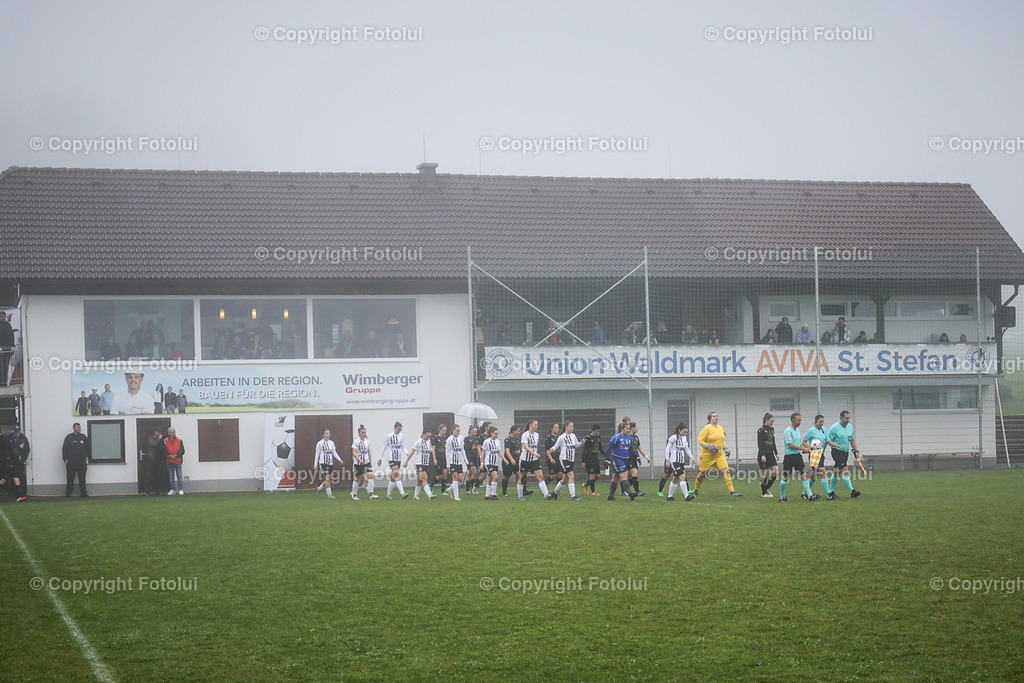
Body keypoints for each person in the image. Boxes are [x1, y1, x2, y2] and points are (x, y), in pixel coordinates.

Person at [686, 411, 742, 500]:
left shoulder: (720, 428)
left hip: (719, 455)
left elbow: (721, 440)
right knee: (702, 474)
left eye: (717, 416)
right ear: (710, 418)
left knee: (726, 470)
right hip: (707, 455)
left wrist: (725, 448)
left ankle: (732, 492)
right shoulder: (707, 428)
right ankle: (696, 491)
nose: (716, 418)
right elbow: (700, 440)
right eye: (714, 416)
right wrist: (708, 446)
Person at [780, 412, 817, 502]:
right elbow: (790, 445)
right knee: (786, 477)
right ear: (793, 420)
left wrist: (805, 448)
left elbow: (797, 443)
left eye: (801, 420)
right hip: (789, 457)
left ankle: (810, 495)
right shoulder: (788, 431)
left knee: (804, 475)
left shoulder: (797, 431)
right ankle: (782, 496)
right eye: (798, 420)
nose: (800, 422)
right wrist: (803, 449)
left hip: (797, 457)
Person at [826, 410, 862, 499]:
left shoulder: (850, 427)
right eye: (846, 418)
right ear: (841, 418)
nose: (848, 420)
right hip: (836, 452)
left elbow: (852, 440)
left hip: (845, 452)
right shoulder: (834, 427)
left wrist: (856, 450)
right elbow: (827, 440)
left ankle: (830, 492)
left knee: (836, 471)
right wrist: (833, 446)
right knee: (845, 469)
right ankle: (852, 491)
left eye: (849, 418)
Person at [802, 414, 838, 500]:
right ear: (816, 421)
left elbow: (828, 440)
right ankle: (828, 494)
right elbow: (803, 441)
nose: (821, 423)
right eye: (820, 421)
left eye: (823, 422)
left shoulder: (824, 430)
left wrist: (836, 445)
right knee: (823, 472)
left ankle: (805, 493)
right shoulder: (811, 430)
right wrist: (809, 449)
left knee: (814, 475)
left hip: (821, 454)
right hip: (814, 454)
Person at [517, 420, 552, 501]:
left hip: (534, 460)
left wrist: (535, 455)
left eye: (537, 425)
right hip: (525, 459)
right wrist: (534, 453)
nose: (536, 426)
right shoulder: (525, 435)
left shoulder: (537, 435)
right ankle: (520, 496)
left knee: (540, 476)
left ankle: (546, 495)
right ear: (530, 425)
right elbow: (526, 447)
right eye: (535, 425)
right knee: (522, 477)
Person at [550, 421, 582, 501]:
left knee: (564, 479)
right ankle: (573, 496)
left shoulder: (573, 436)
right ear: (566, 427)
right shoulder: (562, 437)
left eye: (573, 426)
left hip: (571, 459)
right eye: (571, 426)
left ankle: (554, 492)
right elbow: (556, 445)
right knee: (571, 476)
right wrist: (552, 449)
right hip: (564, 459)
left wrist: (582, 442)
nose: (572, 428)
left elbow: (576, 445)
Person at [605, 422, 637, 500]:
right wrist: (607, 459)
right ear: (622, 429)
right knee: (624, 476)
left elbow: (631, 448)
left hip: (625, 459)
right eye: (627, 429)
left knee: (615, 478)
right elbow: (609, 448)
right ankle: (630, 494)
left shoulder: (629, 437)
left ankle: (610, 496)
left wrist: (636, 456)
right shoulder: (616, 437)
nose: (629, 430)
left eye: (629, 428)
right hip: (617, 459)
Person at [402, 429, 436, 500]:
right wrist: (406, 461)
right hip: (419, 464)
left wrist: (434, 459)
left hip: (426, 464)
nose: (428, 438)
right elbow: (412, 452)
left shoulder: (429, 442)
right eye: (427, 436)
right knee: (425, 479)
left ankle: (415, 496)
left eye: (429, 436)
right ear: (423, 434)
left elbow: (431, 449)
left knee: (420, 481)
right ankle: (430, 495)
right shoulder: (418, 442)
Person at [663, 422, 693, 501]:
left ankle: (670, 496)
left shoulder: (684, 438)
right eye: (683, 432)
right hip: (674, 461)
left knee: (675, 478)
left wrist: (691, 457)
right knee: (682, 477)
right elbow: (667, 449)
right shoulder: (673, 438)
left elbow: (686, 448)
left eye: (686, 432)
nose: (685, 434)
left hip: (681, 461)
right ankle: (686, 496)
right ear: (679, 430)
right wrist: (667, 460)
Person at [379, 422, 408, 499]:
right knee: (397, 474)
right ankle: (403, 493)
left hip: (398, 458)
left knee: (393, 476)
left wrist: (407, 453)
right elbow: (384, 447)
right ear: (395, 428)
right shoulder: (389, 436)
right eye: (398, 429)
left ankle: (388, 494)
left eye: (400, 429)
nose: (399, 431)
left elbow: (403, 447)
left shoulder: (402, 436)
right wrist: (380, 458)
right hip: (391, 457)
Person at [62, 422, 91, 497]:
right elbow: (64, 448)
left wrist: (87, 456)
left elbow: (88, 448)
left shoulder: (83, 437)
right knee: (70, 479)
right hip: (71, 462)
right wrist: (65, 459)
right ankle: (68, 494)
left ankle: (83, 494)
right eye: (77, 427)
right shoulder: (69, 437)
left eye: (79, 427)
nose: (79, 429)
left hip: (81, 462)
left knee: (82, 478)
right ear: (74, 428)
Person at [314, 428, 343, 498]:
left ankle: (319, 489)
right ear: (323, 435)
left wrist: (339, 459)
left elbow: (334, 452)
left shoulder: (331, 443)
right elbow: (317, 454)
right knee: (327, 479)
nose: (328, 435)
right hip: (323, 463)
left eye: (329, 433)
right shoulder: (320, 443)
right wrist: (315, 465)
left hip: (330, 463)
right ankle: (329, 495)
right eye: (326, 433)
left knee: (329, 479)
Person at [351, 424, 377, 500]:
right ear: (359, 433)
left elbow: (369, 452)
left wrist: (370, 461)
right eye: (362, 432)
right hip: (357, 463)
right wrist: (359, 459)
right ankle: (354, 494)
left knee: (370, 475)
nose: (364, 434)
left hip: (366, 462)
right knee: (357, 478)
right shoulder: (356, 441)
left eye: (365, 432)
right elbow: (354, 452)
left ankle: (371, 494)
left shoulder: (367, 442)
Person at [757, 413, 779, 498]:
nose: (772, 423)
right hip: (763, 454)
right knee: (765, 473)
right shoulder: (761, 430)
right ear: (766, 420)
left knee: (776, 470)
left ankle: (766, 488)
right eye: (771, 421)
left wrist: (776, 453)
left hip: (771, 454)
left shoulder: (772, 429)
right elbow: (760, 443)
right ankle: (764, 493)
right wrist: (762, 455)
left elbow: (773, 442)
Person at [579, 424, 604, 496]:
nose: (598, 433)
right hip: (589, 459)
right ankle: (593, 492)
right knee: (592, 476)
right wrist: (583, 461)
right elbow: (584, 450)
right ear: (593, 431)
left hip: (596, 459)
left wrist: (606, 455)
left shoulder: (598, 437)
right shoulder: (588, 438)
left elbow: (600, 448)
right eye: (596, 431)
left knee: (597, 476)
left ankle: (586, 485)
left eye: (599, 431)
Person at [444, 424, 467, 500]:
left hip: (459, 462)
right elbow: (447, 452)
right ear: (453, 430)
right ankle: (456, 496)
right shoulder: (449, 440)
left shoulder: (460, 438)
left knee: (460, 478)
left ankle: (449, 489)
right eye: (457, 430)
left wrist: (465, 460)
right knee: (455, 478)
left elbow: (462, 450)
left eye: (459, 431)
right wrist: (448, 464)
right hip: (452, 462)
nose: (458, 432)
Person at [7, 425, 30, 501]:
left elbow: (27, 450)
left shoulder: (23, 439)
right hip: (13, 464)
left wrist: (23, 460)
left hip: (17, 463)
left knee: (17, 479)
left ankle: (19, 495)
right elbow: (15, 457)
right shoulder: (14, 449)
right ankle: (18, 495)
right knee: (13, 478)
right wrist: (22, 462)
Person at [481, 425, 504, 501]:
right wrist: (482, 463)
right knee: (496, 477)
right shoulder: (486, 441)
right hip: (488, 462)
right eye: (495, 434)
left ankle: (487, 495)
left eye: (497, 434)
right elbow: (483, 453)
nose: (496, 435)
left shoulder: (497, 442)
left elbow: (499, 452)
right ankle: (494, 494)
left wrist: (504, 459)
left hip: (495, 463)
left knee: (490, 479)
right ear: (491, 433)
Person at [144, 428, 167, 495]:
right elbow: (154, 444)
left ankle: (158, 491)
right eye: (158, 432)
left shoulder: (162, 440)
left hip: (158, 460)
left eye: (160, 432)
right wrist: (159, 439)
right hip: (151, 460)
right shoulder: (150, 438)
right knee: (149, 475)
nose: (160, 434)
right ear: (155, 432)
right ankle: (147, 490)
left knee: (159, 476)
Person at [501, 424, 522, 497]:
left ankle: (522, 491)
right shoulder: (507, 440)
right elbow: (507, 451)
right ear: (513, 431)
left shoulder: (517, 440)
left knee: (520, 475)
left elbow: (518, 448)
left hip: (516, 460)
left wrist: (518, 451)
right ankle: (504, 492)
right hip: (508, 461)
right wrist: (511, 459)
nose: (519, 433)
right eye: (517, 431)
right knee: (506, 476)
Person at [543, 422, 563, 492]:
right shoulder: (548, 437)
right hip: (551, 459)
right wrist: (551, 458)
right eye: (556, 427)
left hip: (558, 458)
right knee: (553, 476)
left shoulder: (559, 438)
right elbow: (547, 450)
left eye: (558, 427)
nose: (557, 429)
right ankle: (544, 486)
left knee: (560, 474)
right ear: (551, 429)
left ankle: (556, 491)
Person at [164, 427, 185, 495]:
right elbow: (163, 451)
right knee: (171, 477)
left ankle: (181, 489)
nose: (173, 434)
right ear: (169, 433)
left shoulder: (179, 440)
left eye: (173, 432)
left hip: (177, 461)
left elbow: (182, 450)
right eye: (171, 432)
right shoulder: (165, 441)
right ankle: (172, 489)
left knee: (179, 476)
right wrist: (169, 456)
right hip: (169, 461)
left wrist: (176, 455)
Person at [430, 424, 449, 496]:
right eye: (443, 430)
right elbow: (433, 449)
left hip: (444, 458)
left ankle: (443, 491)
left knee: (445, 473)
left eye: (445, 431)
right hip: (438, 458)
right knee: (440, 475)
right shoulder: (435, 438)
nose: (444, 432)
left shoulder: (446, 438)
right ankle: (431, 485)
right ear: (440, 430)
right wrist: (434, 459)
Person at [463, 425, 481, 495]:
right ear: (470, 431)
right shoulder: (466, 439)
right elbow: (465, 449)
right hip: (468, 457)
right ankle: (472, 488)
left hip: (474, 457)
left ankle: (467, 490)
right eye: (474, 432)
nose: (475, 434)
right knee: (474, 471)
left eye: (476, 432)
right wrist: (473, 448)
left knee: (470, 473)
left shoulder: (476, 438)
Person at [0, 311, 14, 386]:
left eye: (3, 316)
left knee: (6, 366)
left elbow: (11, 336)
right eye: (1, 316)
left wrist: (12, 348)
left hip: (7, 348)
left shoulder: (8, 325)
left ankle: (4, 381)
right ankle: (1, 382)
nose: (2, 318)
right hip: (0, 349)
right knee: (1, 365)